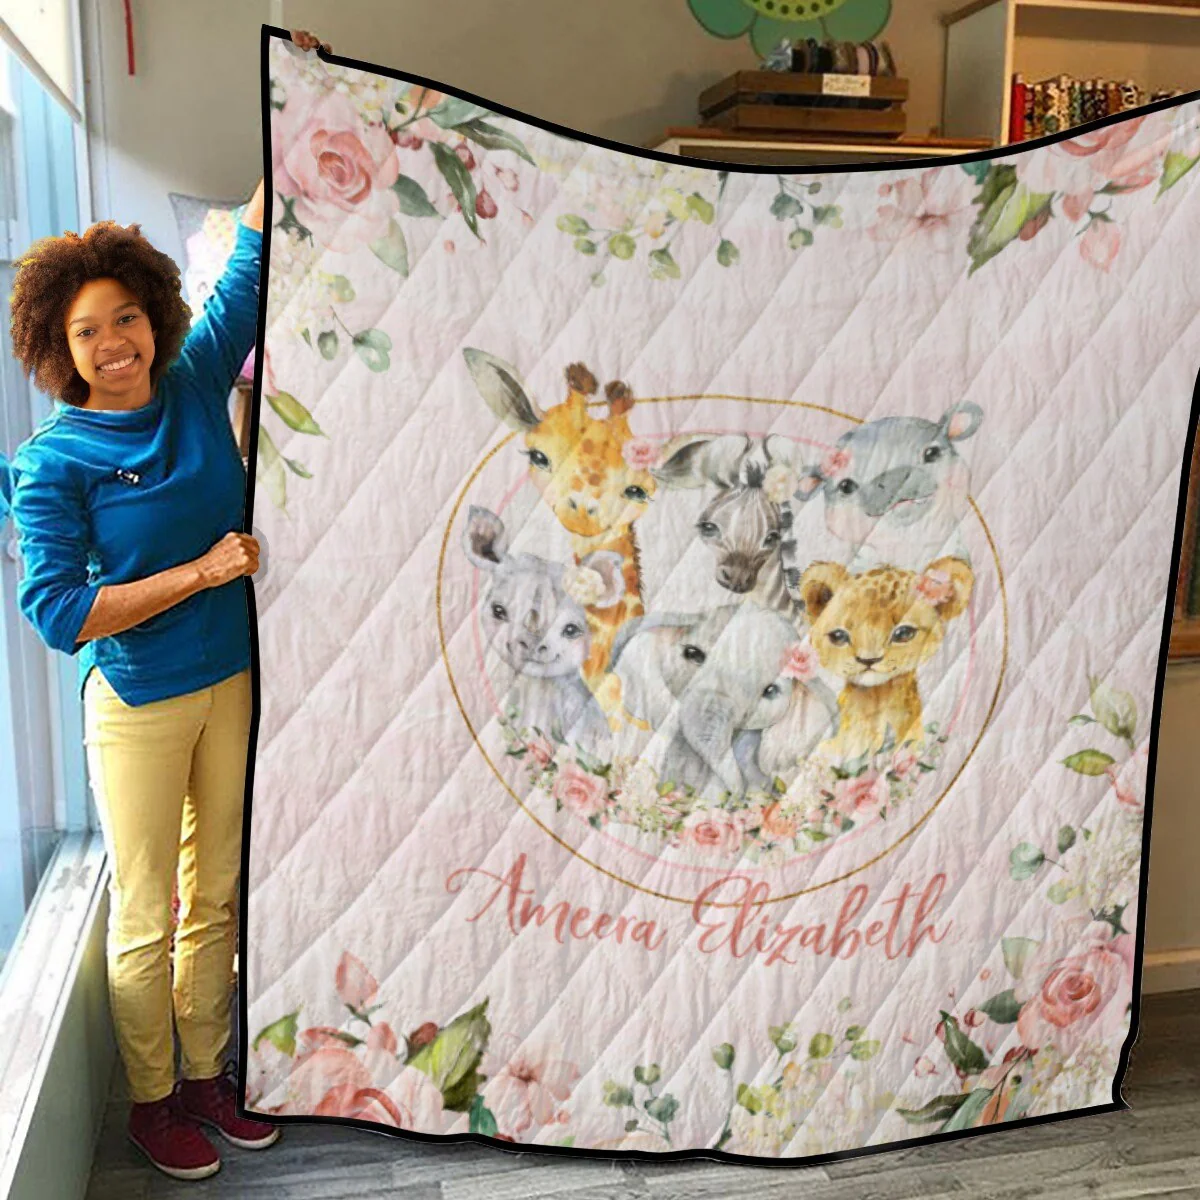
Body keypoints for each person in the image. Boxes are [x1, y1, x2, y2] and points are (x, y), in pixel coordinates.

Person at [5, 27, 329, 1178]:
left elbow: (249, 262)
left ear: (153, 314)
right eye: (87, 331)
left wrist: (300, 106)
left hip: (229, 679)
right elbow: (59, 614)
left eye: (126, 318)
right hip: (140, 701)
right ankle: (152, 1104)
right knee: (145, 911)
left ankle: (204, 1077)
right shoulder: (53, 463)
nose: (114, 344)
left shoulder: (192, 384)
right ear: (59, 348)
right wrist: (201, 572)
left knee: (217, 895)